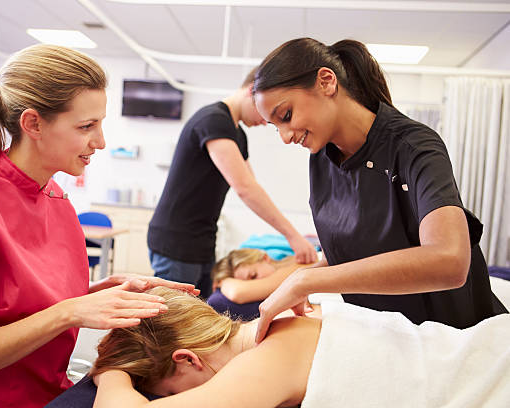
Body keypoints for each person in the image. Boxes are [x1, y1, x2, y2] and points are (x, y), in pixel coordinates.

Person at [0, 44, 197, 408]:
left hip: (45, 394)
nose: (101, 141)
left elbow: (13, 303)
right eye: (86, 126)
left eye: (101, 123)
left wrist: (104, 293)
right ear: (33, 124)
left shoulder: (55, 197)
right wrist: (70, 311)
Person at [250, 37, 506, 342]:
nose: (284, 137)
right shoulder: (322, 158)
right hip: (387, 334)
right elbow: (357, 250)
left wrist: (308, 280)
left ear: (326, 82)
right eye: (274, 126)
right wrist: (300, 280)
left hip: (449, 337)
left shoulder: (414, 147)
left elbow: (450, 261)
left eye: (286, 116)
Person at [89, 287, 510, 407]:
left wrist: (109, 373)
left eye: (168, 393)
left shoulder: (265, 360)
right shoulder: (289, 319)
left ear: (186, 358)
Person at [147, 69, 317, 298]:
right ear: (250, 91)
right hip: (176, 242)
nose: (266, 121)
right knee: (174, 325)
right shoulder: (213, 120)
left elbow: (252, 186)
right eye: (264, 110)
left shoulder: (238, 135)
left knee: (200, 317)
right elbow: (244, 189)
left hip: (203, 241)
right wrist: (293, 236)